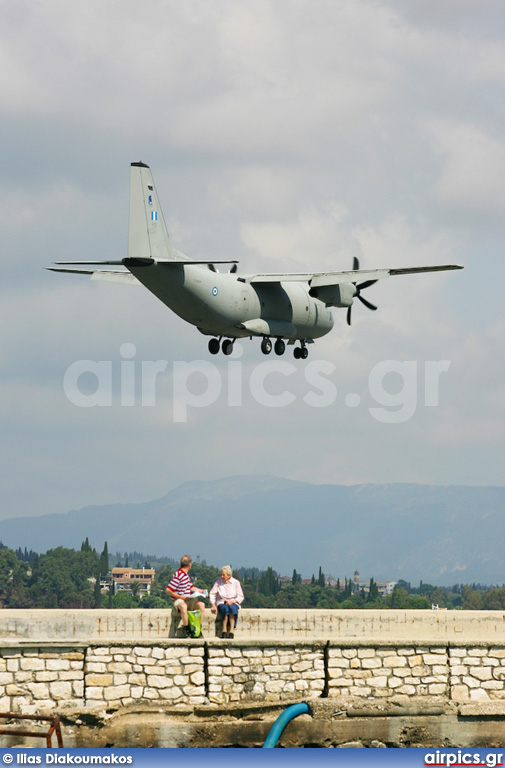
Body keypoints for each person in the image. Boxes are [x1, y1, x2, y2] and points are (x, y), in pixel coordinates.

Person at [166, 555, 206, 638]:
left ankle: (198, 629)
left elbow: (191, 587)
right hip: (179, 599)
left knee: (201, 605)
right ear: (190, 565)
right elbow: (168, 590)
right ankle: (187, 630)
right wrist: (181, 597)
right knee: (183, 606)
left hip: (188, 598)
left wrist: (202, 591)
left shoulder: (186, 576)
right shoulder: (178, 575)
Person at [209, 565, 244, 638]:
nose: (222, 576)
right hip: (222, 601)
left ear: (229, 575)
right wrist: (213, 604)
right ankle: (224, 630)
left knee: (233, 609)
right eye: (221, 575)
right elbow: (212, 593)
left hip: (233, 601)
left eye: (223, 575)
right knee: (225, 609)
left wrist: (233, 601)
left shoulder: (236, 582)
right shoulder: (218, 582)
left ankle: (231, 631)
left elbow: (241, 596)